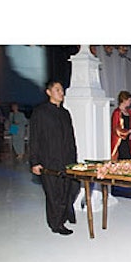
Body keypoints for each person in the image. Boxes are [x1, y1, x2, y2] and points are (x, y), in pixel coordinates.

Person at [29, 80, 80, 235]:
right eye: (57, 90)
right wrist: (35, 161)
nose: (61, 92)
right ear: (49, 92)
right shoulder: (40, 112)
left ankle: (64, 214)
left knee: (70, 188)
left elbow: (71, 138)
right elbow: (34, 138)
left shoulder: (65, 113)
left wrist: (74, 159)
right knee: (54, 193)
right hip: (49, 160)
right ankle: (56, 224)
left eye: (62, 90)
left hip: (67, 160)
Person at [111, 91, 131, 160]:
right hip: (120, 141)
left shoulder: (129, 112)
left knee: (129, 158)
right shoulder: (117, 113)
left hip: (128, 141)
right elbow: (116, 129)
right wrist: (129, 131)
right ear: (124, 100)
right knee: (124, 159)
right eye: (129, 100)